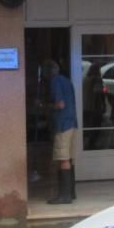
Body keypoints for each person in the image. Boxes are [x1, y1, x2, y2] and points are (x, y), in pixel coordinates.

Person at [44, 59, 77, 204]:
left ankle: (64, 196)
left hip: (62, 124)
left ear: (49, 72)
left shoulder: (55, 82)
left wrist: (45, 106)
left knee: (62, 158)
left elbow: (60, 104)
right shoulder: (67, 81)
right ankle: (71, 192)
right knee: (69, 158)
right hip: (71, 123)